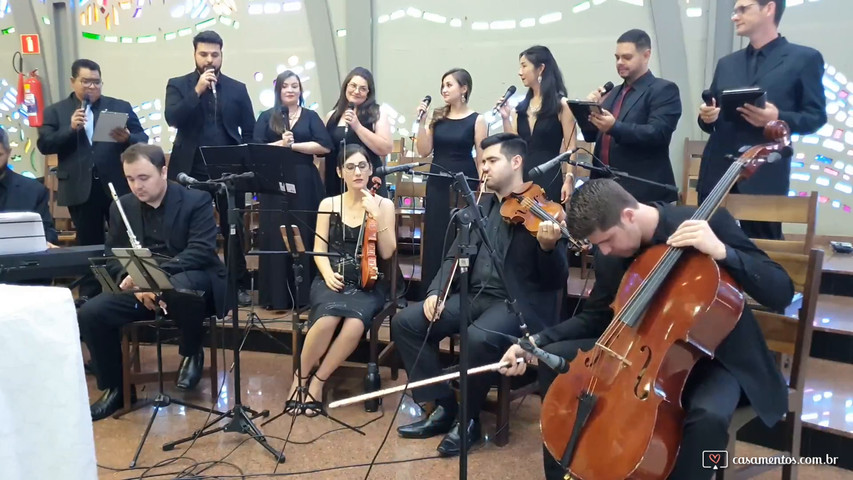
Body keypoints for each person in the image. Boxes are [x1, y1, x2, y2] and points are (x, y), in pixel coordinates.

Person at [499, 178, 793, 480]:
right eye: (598, 245)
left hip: (717, 357)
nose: (605, 250)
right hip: (645, 356)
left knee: (709, 416)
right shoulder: (612, 251)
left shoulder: (705, 222)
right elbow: (597, 316)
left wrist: (723, 252)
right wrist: (535, 342)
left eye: (607, 240)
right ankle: (566, 471)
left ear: (628, 215)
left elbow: (781, 290)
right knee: (555, 359)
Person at [392, 133, 568, 456]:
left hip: (515, 304)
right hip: (473, 295)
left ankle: (467, 420)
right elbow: (452, 256)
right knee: (407, 322)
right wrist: (435, 292)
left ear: (516, 163)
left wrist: (548, 247)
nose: (483, 167)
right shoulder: (479, 204)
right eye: (482, 161)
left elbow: (557, 279)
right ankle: (444, 406)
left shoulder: (542, 208)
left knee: (477, 338)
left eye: (491, 160)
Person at [77, 144, 226, 420]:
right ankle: (116, 388)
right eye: (130, 179)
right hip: (139, 286)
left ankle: (191, 350)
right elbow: (112, 255)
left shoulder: (197, 200)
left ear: (164, 171)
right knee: (91, 313)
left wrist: (149, 276)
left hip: (188, 274)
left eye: (143, 178)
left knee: (181, 291)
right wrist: (130, 279)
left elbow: (200, 251)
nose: (136, 186)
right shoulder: (120, 206)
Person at [698, 0, 826, 240]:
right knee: (706, 242)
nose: (735, 16)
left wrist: (778, 117)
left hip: (765, 170)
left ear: (769, 8)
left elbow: (816, 117)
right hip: (717, 168)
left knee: (763, 250)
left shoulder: (804, 58)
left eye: (743, 9)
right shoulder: (727, 63)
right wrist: (706, 116)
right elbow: (711, 117)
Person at [284, 145, 396, 415]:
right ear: (339, 172)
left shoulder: (384, 204)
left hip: (366, 282)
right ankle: (298, 381)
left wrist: (377, 217)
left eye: (362, 166)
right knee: (327, 319)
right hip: (331, 278)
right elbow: (319, 250)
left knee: (355, 323)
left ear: (370, 170)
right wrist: (326, 273)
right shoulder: (329, 204)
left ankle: (318, 383)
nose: (357, 172)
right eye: (350, 167)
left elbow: (387, 251)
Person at [36, 59, 147, 297]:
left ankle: (128, 288)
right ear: (73, 81)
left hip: (115, 185)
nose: (92, 87)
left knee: (125, 238)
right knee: (89, 244)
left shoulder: (119, 107)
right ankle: (93, 293)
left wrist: (127, 138)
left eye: (97, 82)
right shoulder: (56, 111)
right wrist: (69, 130)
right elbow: (44, 144)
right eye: (86, 81)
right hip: (79, 186)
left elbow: (143, 139)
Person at [164, 29, 255, 305]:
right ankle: (190, 279)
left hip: (228, 167)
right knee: (186, 226)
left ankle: (237, 283)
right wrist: (198, 89)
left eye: (215, 55)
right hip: (190, 168)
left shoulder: (237, 89)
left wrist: (248, 164)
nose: (209, 60)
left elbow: (249, 130)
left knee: (233, 226)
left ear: (221, 55)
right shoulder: (178, 85)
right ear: (194, 54)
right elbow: (173, 118)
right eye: (203, 54)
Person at [253, 71, 332, 310]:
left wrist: (294, 146)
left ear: (300, 90)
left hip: (304, 181)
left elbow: (325, 146)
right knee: (276, 234)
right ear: (278, 90)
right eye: (285, 86)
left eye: (294, 86)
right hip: (274, 182)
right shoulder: (267, 116)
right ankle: (277, 297)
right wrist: (280, 144)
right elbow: (255, 148)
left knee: (304, 232)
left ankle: (305, 297)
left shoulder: (310, 116)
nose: (290, 90)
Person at [583, 29, 681, 204]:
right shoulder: (612, 93)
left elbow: (658, 133)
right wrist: (588, 111)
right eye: (617, 57)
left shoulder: (663, 90)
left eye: (627, 57)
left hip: (642, 190)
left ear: (646, 55)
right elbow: (592, 136)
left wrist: (614, 127)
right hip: (604, 187)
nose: (620, 62)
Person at [414, 68, 487, 297]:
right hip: (437, 181)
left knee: (459, 234)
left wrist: (482, 188)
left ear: (464, 88)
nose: (444, 90)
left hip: (463, 181)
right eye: (443, 85)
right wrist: (421, 122)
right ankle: (432, 289)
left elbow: (482, 156)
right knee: (436, 233)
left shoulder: (477, 119)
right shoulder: (437, 116)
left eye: (449, 85)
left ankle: (456, 289)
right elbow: (424, 150)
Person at [499, 46, 576, 204]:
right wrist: (505, 118)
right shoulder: (520, 109)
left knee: (547, 224)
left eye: (524, 66)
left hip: (549, 176)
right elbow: (514, 145)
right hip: (522, 178)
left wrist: (569, 179)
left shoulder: (562, 105)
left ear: (540, 69)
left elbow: (571, 148)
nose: (520, 72)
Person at [322, 67, 393, 197]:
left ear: (368, 93)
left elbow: (386, 148)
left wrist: (357, 126)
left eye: (362, 88)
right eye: (353, 86)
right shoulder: (331, 116)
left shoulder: (377, 113)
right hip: (336, 181)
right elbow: (324, 153)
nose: (356, 91)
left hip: (367, 181)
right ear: (345, 87)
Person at [0, 128, 58, 245]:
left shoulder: (33, 191)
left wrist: (45, 242)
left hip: (18, 258)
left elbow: (48, 232)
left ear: (9, 152)